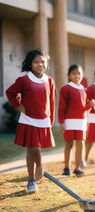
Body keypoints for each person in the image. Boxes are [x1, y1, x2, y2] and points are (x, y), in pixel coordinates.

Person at [6, 49, 56, 193]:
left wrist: (51, 118)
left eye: (42, 62)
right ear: (30, 64)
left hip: (43, 119)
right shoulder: (24, 80)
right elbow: (10, 93)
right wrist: (19, 106)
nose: (40, 64)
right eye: (36, 62)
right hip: (28, 119)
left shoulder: (50, 81)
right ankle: (36, 172)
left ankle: (32, 179)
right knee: (33, 147)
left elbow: (52, 101)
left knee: (33, 149)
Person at [58, 64, 95, 176]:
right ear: (69, 75)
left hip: (81, 121)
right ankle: (66, 168)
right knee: (69, 145)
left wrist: (91, 105)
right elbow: (62, 107)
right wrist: (61, 122)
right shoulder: (65, 89)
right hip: (69, 121)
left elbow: (84, 107)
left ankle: (77, 168)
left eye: (79, 73)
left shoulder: (85, 90)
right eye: (74, 73)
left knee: (80, 144)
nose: (77, 75)